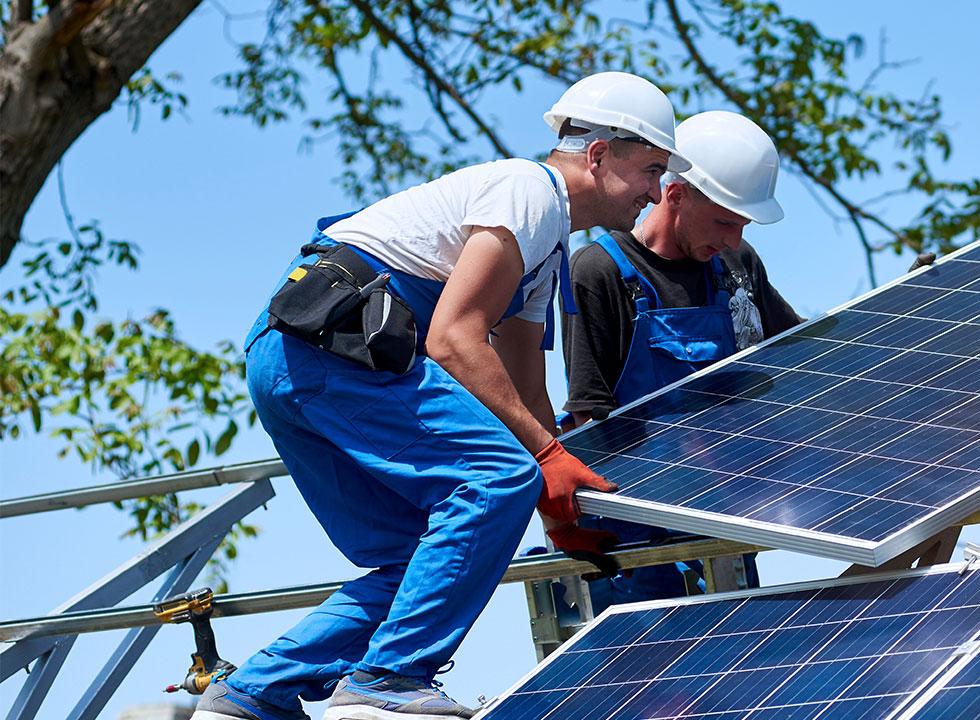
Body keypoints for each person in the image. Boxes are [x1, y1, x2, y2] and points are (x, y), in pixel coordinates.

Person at [193, 72, 687, 720]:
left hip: (290, 357)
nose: (656, 192)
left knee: (413, 560)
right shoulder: (528, 193)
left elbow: (521, 377)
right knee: (492, 479)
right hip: (336, 354)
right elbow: (454, 340)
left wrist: (556, 504)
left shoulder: (545, 245)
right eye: (651, 168)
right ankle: (390, 680)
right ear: (598, 155)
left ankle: (251, 696)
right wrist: (537, 462)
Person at [560, 111, 801, 611]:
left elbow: (801, 358)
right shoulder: (600, 272)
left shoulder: (737, 266)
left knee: (743, 663)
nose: (733, 240)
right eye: (724, 222)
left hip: (724, 517)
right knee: (655, 680)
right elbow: (589, 417)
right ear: (675, 195)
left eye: (743, 226)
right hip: (637, 542)